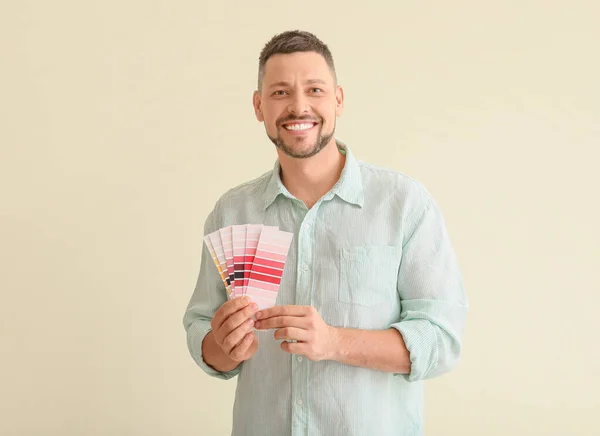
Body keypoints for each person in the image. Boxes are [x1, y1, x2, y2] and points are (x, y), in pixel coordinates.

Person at [183, 29, 468, 436]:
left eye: (314, 89)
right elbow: (201, 330)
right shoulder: (232, 212)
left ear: (337, 100)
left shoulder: (404, 204)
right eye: (280, 92)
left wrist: (334, 342)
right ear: (259, 106)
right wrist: (222, 348)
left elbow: (441, 339)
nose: (299, 105)